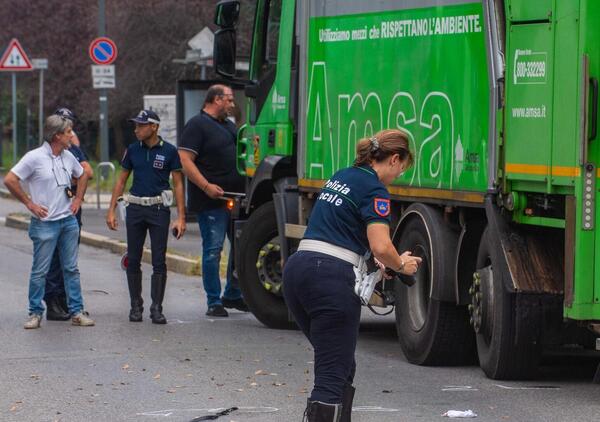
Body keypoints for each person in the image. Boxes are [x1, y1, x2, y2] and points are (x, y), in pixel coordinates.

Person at [282, 129, 422, 421]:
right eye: (402, 168)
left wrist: (379, 262)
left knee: (341, 364)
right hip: (330, 280)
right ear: (394, 159)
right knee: (332, 374)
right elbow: (382, 245)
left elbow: (341, 233)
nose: (398, 175)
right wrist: (400, 265)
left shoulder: (342, 175)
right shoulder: (375, 189)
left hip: (298, 269)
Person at [4, 115, 95, 329]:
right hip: (44, 224)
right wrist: (29, 203)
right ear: (56, 136)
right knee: (40, 270)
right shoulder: (34, 157)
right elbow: (10, 179)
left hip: (67, 221)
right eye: (68, 132)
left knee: (71, 269)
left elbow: (83, 174)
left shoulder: (68, 156)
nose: (71, 136)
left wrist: (79, 199)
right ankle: (35, 312)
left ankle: (76, 311)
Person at [106, 110, 186, 324]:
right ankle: (135, 306)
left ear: (154, 127)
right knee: (133, 258)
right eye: (136, 125)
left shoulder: (169, 151)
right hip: (135, 209)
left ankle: (157, 307)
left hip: (159, 210)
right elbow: (121, 181)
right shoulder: (132, 150)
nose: (136, 129)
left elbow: (178, 184)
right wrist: (111, 209)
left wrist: (181, 217)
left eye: (141, 125)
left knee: (159, 260)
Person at [178, 84, 248, 317]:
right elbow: (185, 160)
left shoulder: (228, 126)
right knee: (213, 249)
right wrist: (206, 186)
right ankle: (213, 300)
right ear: (216, 100)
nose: (232, 104)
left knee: (240, 248)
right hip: (210, 201)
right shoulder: (197, 125)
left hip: (235, 198)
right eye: (228, 99)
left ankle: (233, 294)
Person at [43, 107, 94, 321]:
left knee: (68, 258)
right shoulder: (49, 151)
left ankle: (64, 300)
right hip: (55, 210)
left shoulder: (71, 149)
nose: (69, 130)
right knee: (54, 258)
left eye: (70, 124)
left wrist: (77, 194)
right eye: (65, 124)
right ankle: (53, 301)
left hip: (71, 207)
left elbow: (87, 172)